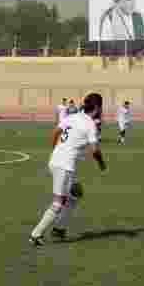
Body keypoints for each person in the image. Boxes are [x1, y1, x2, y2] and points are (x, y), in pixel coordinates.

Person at [29, 93, 107, 246]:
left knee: (76, 193)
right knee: (59, 202)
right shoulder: (90, 124)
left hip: (57, 161)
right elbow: (95, 150)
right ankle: (36, 235)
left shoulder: (72, 116)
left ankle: (59, 228)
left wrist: (55, 151)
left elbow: (55, 132)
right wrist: (101, 164)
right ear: (97, 108)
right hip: (64, 165)